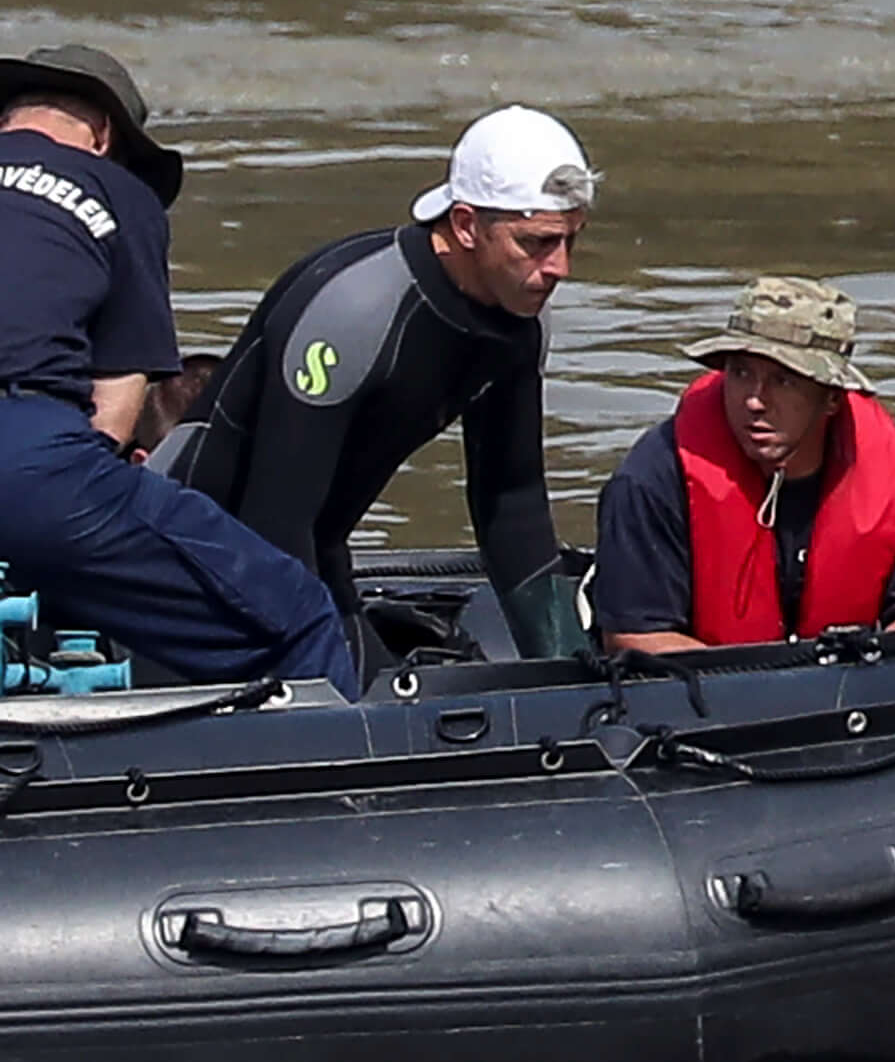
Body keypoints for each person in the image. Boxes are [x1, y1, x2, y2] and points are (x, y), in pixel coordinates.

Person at [165, 105, 590, 656]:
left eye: (569, 242)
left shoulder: (521, 316)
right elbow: (273, 516)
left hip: (315, 555)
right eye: (535, 243)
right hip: (187, 559)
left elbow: (512, 504)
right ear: (465, 226)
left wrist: (565, 669)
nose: (560, 268)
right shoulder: (354, 307)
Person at [0, 44, 354, 692]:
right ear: (105, 135)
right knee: (296, 617)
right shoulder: (118, 193)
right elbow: (115, 403)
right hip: (27, 457)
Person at [585, 278, 895, 657]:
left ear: (832, 397)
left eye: (783, 380)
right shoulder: (652, 477)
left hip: (849, 690)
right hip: (708, 703)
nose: (754, 400)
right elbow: (635, 638)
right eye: (740, 373)